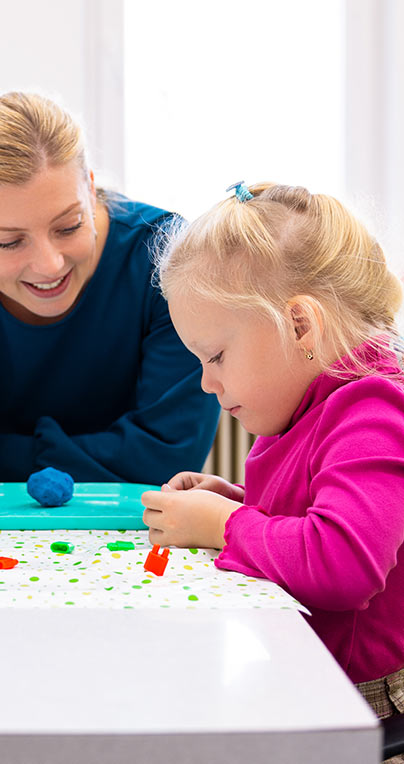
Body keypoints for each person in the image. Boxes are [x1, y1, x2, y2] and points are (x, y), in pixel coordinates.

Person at [0, 91, 220, 530]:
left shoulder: (169, 259)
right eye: (9, 241)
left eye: (69, 225)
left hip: (139, 533)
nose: (49, 265)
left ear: (91, 188)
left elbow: (166, 455)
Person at [141, 181, 404, 737]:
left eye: (215, 356)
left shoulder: (371, 409)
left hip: (372, 714)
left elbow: (343, 564)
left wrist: (225, 526)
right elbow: (315, 513)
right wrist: (234, 502)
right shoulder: (310, 400)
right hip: (319, 683)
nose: (207, 383)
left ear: (300, 325)